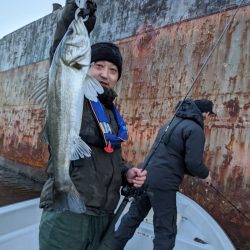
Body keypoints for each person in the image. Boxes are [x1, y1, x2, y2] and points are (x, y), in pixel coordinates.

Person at [39, 1, 147, 250]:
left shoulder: (109, 111)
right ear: (84, 66)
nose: (105, 74)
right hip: (69, 217)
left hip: (104, 217)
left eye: (112, 70)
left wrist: (126, 173)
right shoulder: (75, 91)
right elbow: (60, 51)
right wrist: (75, 12)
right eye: (98, 66)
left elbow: (106, 156)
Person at [115, 99, 215, 250]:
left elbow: (171, 156)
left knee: (132, 218)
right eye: (208, 115)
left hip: (145, 175)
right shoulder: (195, 129)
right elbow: (193, 164)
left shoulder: (168, 124)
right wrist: (205, 175)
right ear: (205, 113)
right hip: (164, 183)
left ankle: (111, 246)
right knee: (165, 229)